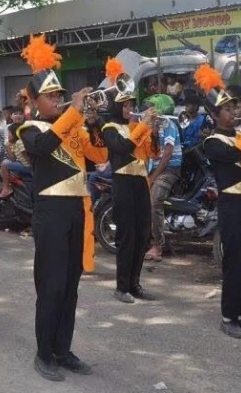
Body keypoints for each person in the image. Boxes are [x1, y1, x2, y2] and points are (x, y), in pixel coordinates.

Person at [17, 35, 107, 381]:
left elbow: (98, 155)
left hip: (76, 210)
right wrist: (73, 112)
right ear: (36, 100)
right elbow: (41, 147)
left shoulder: (73, 125)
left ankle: (63, 348)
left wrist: (94, 119)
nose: (57, 99)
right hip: (51, 212)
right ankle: (43, 353)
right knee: (51, 284)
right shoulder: (30, 127)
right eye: (51, 96)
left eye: (59, 94)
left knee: (71, 285)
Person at [195, 64, 241, 339]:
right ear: (215, 115)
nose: (232, 112)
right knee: (234, 262)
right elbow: (239, 153)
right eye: (226, 109)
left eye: (233, 108)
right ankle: (228, 316)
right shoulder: (213, 142)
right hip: (232, 205)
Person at [99, 59, 154, 304]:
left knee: (143, 234)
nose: (130, 108)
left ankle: (135, 283)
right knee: (127, 235)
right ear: (116, 105)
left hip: (140, 181)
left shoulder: (135, 126)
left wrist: (153, 131)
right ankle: (121, 287)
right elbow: (122, 148)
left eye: (132, 103)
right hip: (122, 182)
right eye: (126, 104)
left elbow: (151, 152)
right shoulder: (109, 127)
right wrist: (141, 127)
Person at [144, 94, 182, 262]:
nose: (147, 110)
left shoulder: (169, 124)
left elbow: (166, 155)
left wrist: (152, 177)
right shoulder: (152, 124)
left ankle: (157, 245)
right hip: (155, 167)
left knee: (154, 201)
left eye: (152, 106)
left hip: (169, 169)